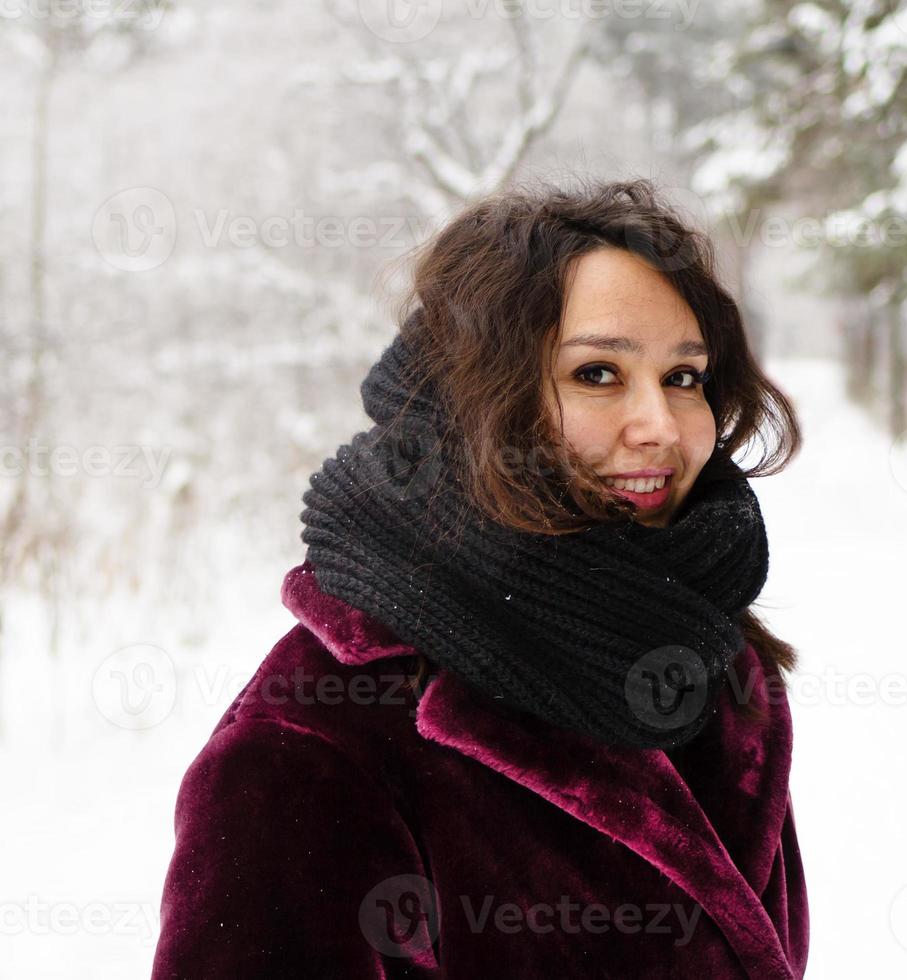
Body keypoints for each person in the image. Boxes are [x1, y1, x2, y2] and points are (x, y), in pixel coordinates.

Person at [149, 176, 809, 978]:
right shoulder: (313, 745)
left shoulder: (707, 666)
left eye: (683, 377)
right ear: (471, 402)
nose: (661, 427)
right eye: (596, 373)